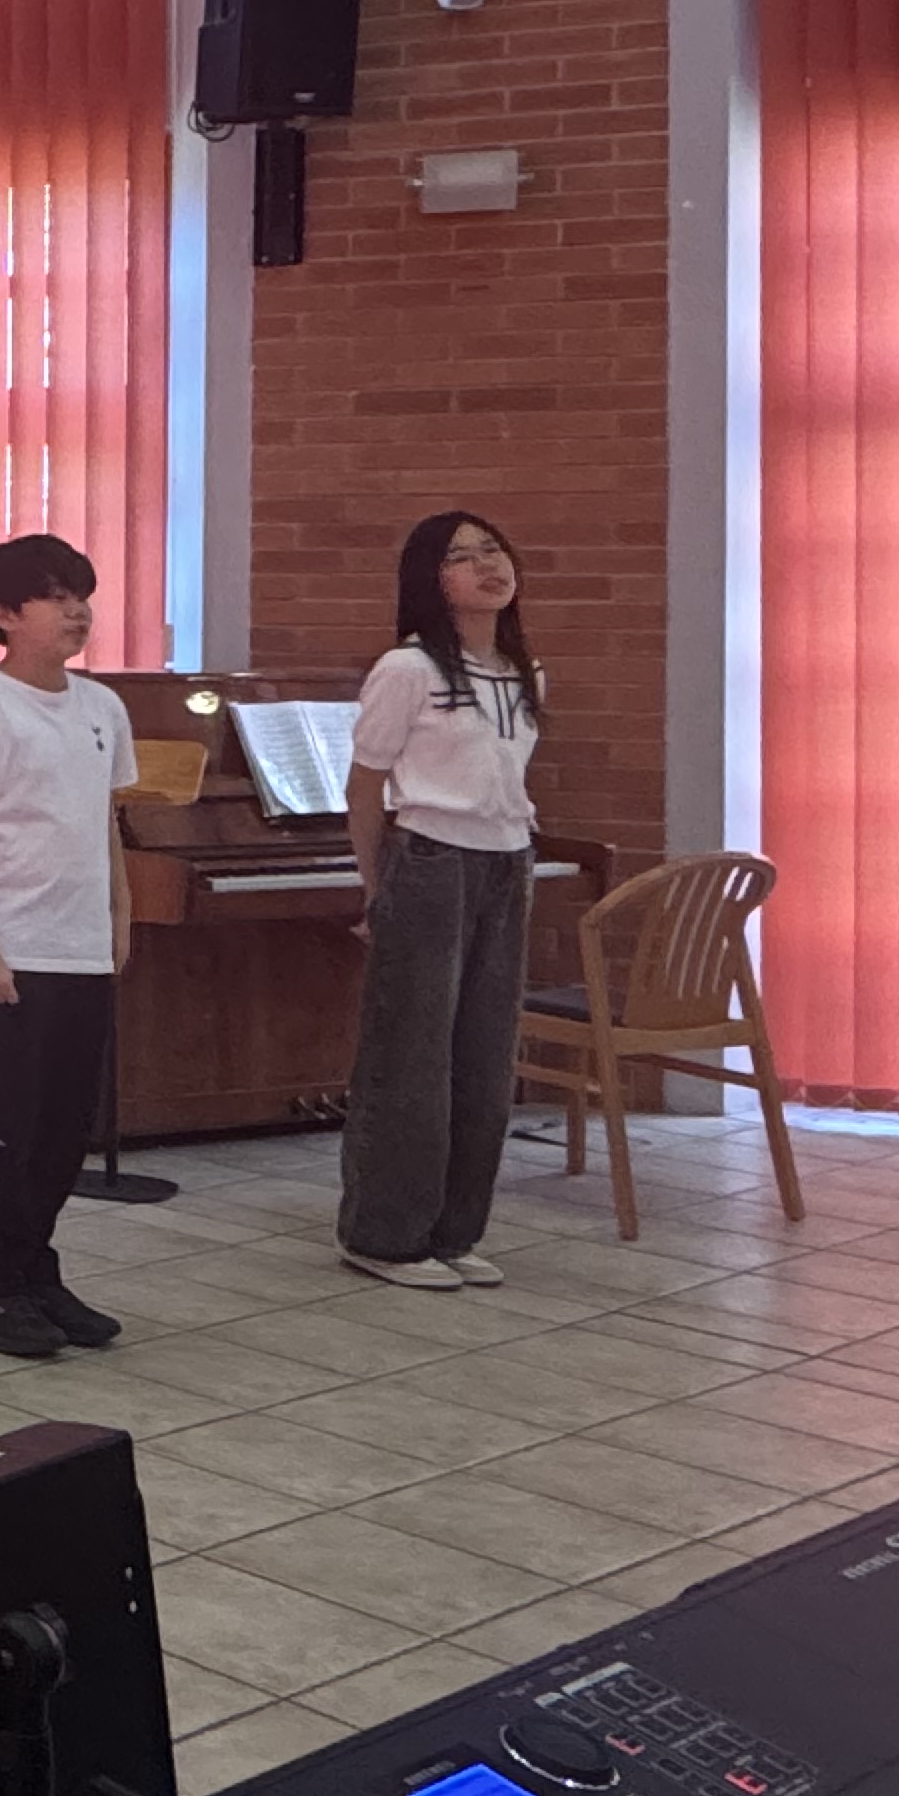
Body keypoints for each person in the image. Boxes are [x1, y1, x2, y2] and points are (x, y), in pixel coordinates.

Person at [0, 532, 136, 1363]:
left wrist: (119, 919)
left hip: (79, 950)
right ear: (5, 614)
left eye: (81, 595)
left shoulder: (102, 707)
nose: (77, 611)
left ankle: (33, 1271)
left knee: (61, 1130)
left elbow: (104, 826)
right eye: (55, 596)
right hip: (5, 955)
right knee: (0, 1129)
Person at [337, 512, 546, 1292]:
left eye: (494, 549)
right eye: (462, 557)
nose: (487, 565)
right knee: (412, 1058)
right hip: (430, 860)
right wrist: (376, 890)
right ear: (432, 580)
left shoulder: (523, 673)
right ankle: (383, 1236)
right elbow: (365, 788)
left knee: (485, 1057)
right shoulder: (408, 669)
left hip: (507, 863)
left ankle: (455, 1231)